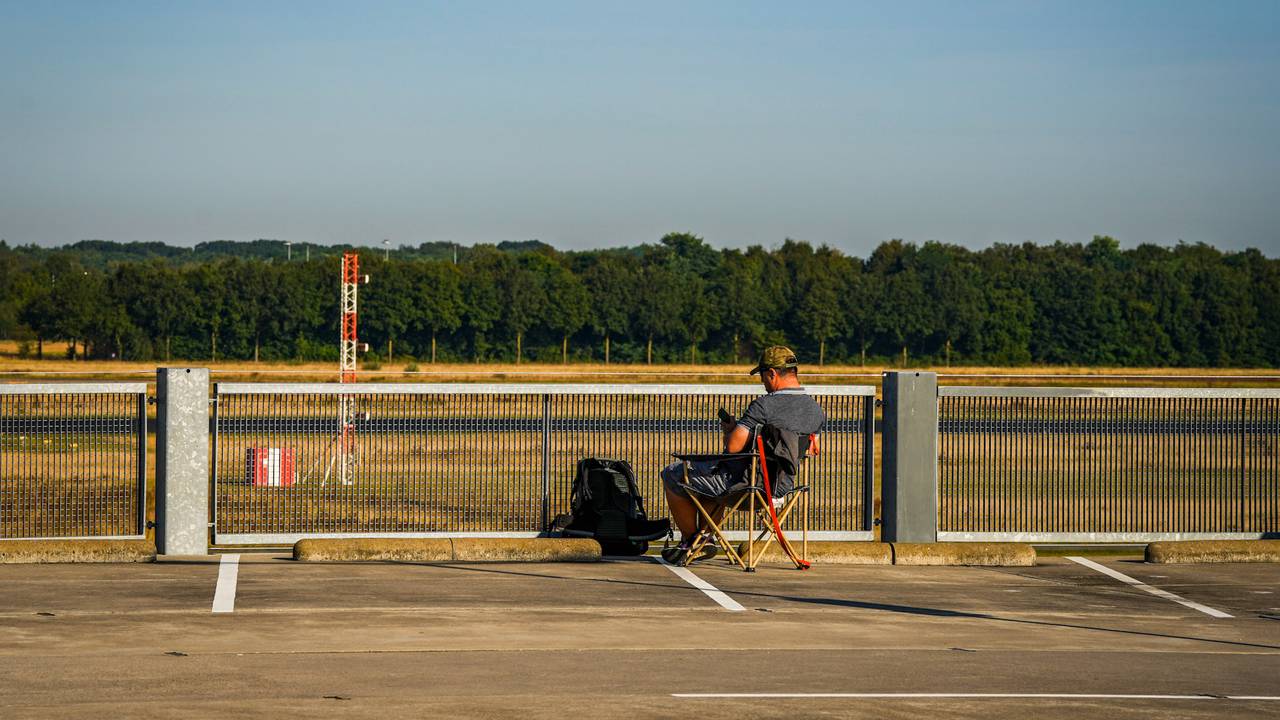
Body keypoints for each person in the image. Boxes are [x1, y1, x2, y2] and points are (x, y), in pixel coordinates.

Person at [660, 345, 826, 564]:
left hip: (746, 486)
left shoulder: (764, 406)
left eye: (763, 377)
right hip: (781, 488)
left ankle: (693, 539)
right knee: (709, 477)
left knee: (673, 473)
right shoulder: (816, 410)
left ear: (772, 373)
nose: (762, 383)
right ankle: (705, 539)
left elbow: (733, 448)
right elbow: (811, 449)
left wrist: (730, 429)